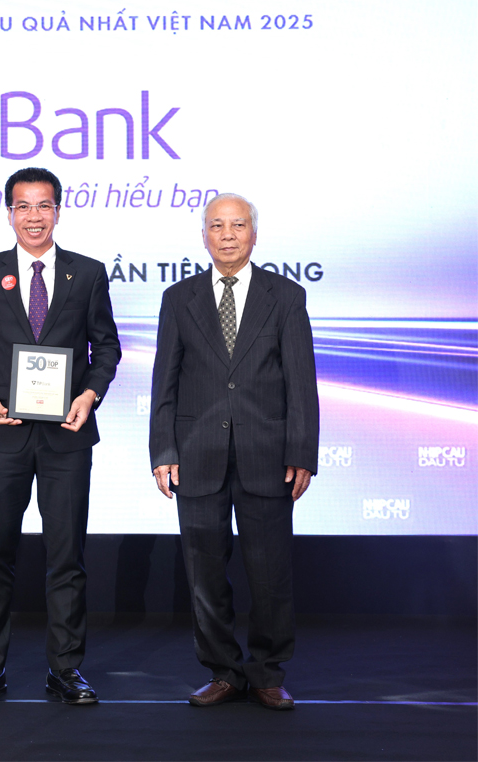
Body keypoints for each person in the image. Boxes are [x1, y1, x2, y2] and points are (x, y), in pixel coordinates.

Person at [0, 167, 121, 704]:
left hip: (68, 436)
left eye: (43, 205)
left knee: (66, 556)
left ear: (58, 211)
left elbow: (106, 348)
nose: (34, 216)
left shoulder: (87, 273)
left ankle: (65, 669)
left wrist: (89, 395)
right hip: (2, 433)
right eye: (23, 206)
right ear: (9, 214)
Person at [149, 193, 319, 710]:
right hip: (196, 453)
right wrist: (163, 449)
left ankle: (267, 671)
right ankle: (223, 670)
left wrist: (302, 451)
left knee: (270, 573)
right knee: (204, 574)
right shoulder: (178, 298)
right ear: (203, 236)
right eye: (217, 226)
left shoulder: (285, 296)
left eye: (237, 225)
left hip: (268, 454)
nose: (227, 235)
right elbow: (165, 381)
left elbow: (301, 381)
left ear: (254, 234)